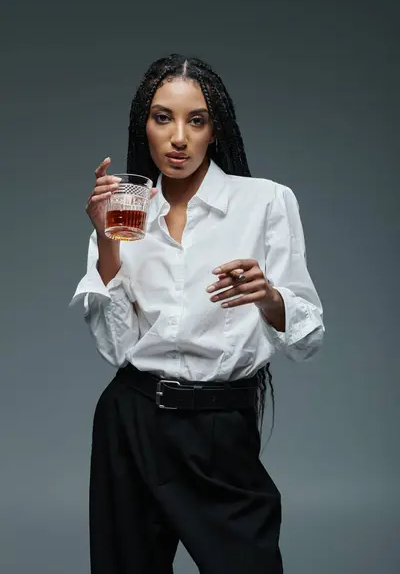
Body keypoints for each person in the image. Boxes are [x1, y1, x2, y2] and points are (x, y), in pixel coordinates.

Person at [70, 53, 324, 574]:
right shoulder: (124, 212)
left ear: (215, 130)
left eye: (196, 120)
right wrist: (105, 239)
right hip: (132, 423)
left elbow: (307, 337)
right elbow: (117, 349)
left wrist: (268, 295)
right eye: (162, 117)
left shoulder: (266, 203)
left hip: (220, 429)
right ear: (144, 125)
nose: (178, 137)